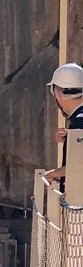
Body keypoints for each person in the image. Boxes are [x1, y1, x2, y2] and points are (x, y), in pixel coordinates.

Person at [50, 62, 83, 195]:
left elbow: (79, 166)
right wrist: (70, 138)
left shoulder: (79, 121)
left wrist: (52, 174)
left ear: (58, 93)